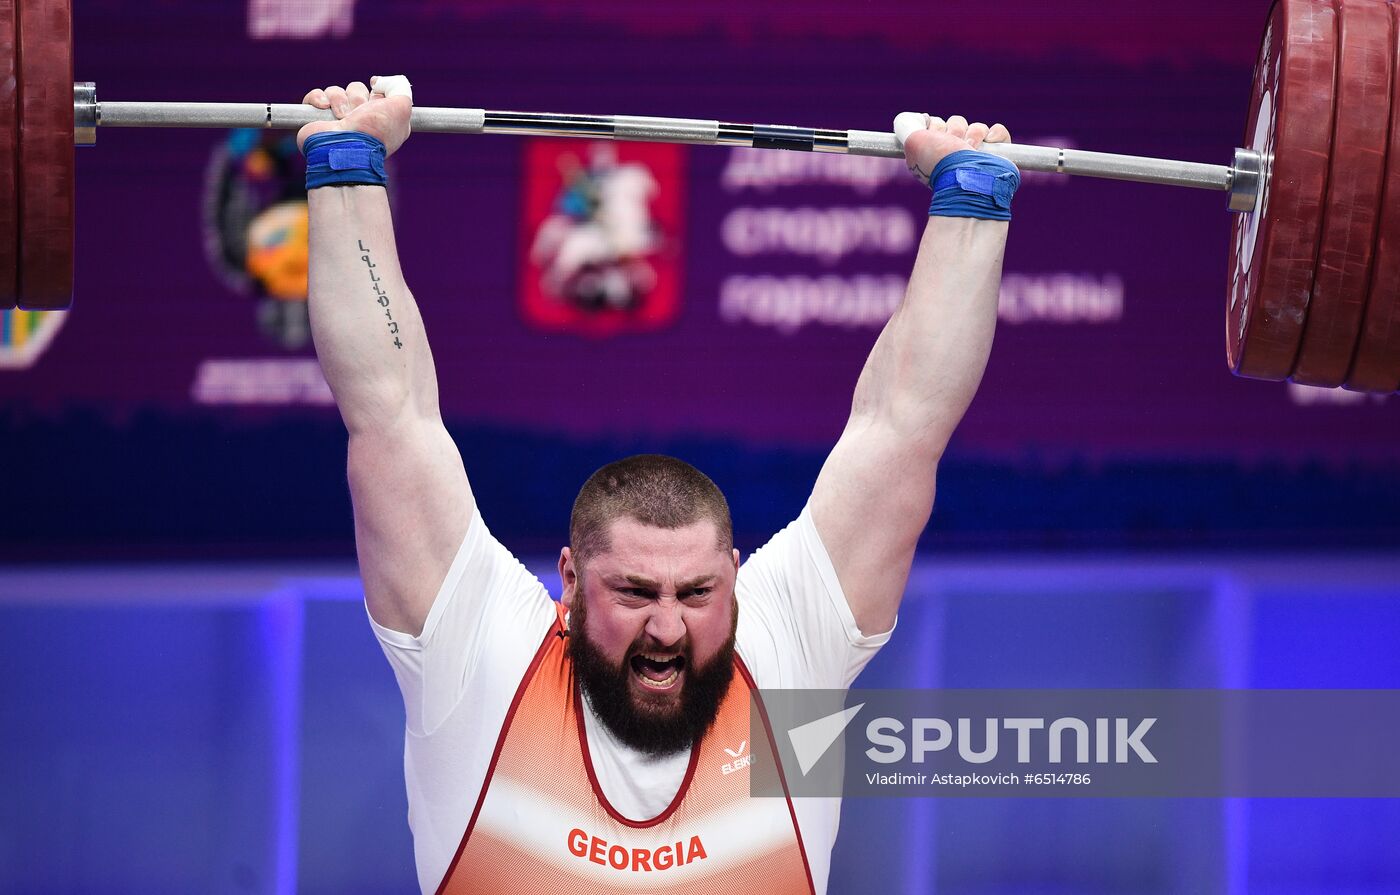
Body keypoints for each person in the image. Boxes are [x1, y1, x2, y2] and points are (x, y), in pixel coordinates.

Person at [297, 76, 1016, 895]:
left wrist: (971, 198)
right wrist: (346, 166)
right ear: (568, 582)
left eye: (697, 591)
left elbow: (905, 426)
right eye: (635, 591)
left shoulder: (786, 648)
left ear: (735, 579)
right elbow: (389, 416)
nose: (668, 626)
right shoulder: (481, 655)